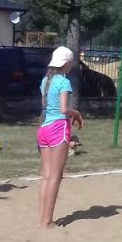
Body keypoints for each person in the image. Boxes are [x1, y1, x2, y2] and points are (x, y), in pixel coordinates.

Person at [38, 46, 85, 229]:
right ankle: (48, 221)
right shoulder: (64, 82)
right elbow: (64, 109)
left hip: (44, 128)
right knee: (55, 177)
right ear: (67, 63)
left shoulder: (46, 81)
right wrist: (76, 113)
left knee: (46, 176)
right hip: (58, 128)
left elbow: (47, 107)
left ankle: (42, 219)